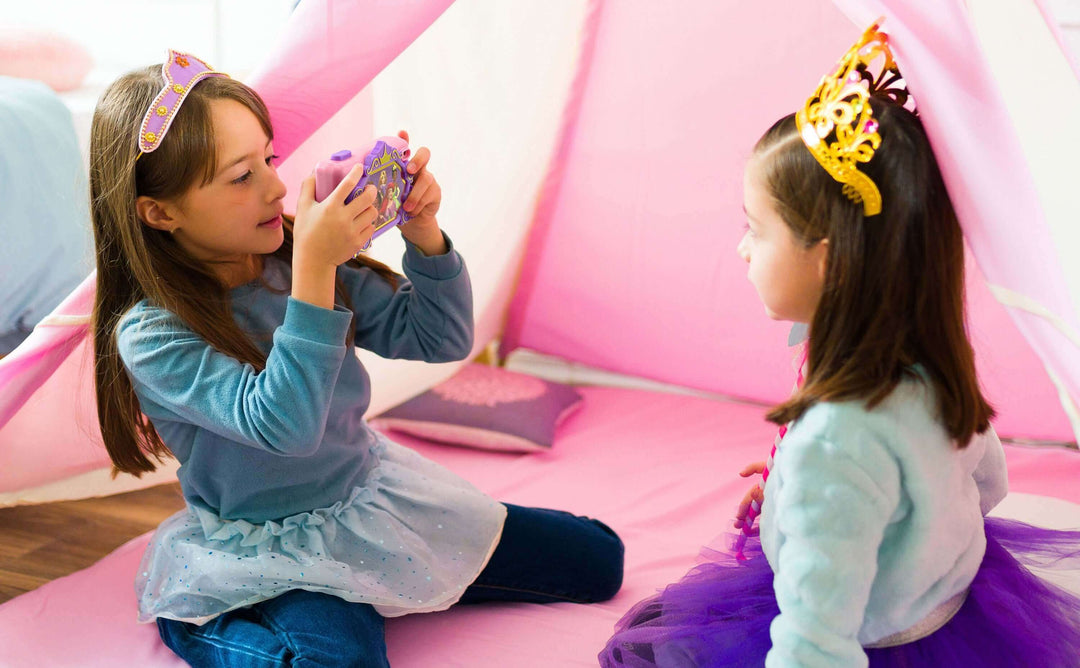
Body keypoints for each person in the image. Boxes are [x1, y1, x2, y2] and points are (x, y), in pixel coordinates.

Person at [90, 51, 623, 667]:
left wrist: (424, 235)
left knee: (598, 560)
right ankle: (195, 617)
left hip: (366, 501)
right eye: (241, 177)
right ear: (161, 213)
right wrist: (315, 271)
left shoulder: (298, 259)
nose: (274, 186)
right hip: (271, 550)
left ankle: (372, 589)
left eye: (268, 158)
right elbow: (283, 428)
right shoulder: (154, 334)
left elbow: (440, 340)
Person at [600, 22, 1080, 668]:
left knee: (641, 649)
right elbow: (985, 484)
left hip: (862, 640)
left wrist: (823, 490)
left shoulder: (834, 441)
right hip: (952, 610)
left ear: (826, 260)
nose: (742, 247)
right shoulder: (930, 364)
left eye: (756, 228)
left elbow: (815, 645)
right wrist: (821, 501)